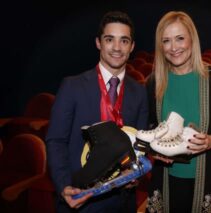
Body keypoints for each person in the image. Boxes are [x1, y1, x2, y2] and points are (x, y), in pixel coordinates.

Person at [46, 11, 148, 213]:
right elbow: (56, 140)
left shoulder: (140, 93)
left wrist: (134, 176)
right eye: (109, 39)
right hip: (79, 200)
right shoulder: (72, 86)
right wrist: (65, 186)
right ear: (98, 43)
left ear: (132, 46)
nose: (117, 48)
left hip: (122, 201)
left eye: (124, 41)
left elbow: (140, 145)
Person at [145, 11, 211, 213]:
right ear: (160, 46)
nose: (174, 47)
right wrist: (155, 150)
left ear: (192, 39)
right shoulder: (154, 83)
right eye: (166, 41)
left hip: (210, 182)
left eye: (180, 38)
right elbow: (150, 128)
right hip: (167, 180)